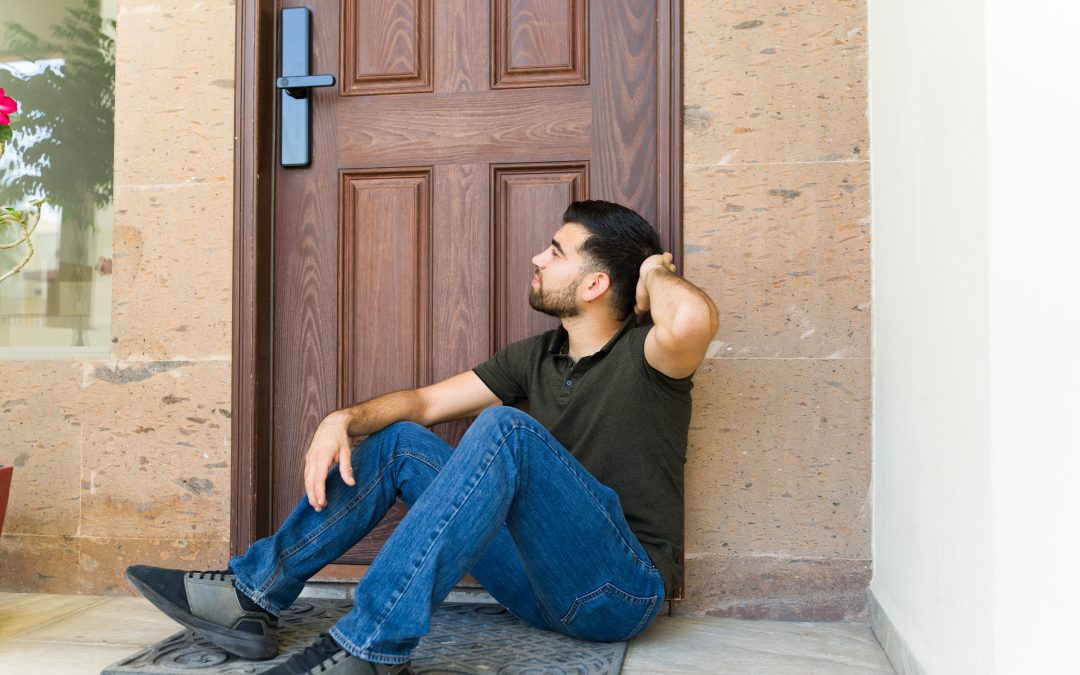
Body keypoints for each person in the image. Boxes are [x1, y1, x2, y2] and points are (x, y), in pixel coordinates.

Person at [126, 200, 718, 675]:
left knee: (506, 428)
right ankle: (252, 593)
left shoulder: (651, 357)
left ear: (594, 285)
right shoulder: (538, 356)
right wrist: (343, 419)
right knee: (400, 440)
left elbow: (691, 319)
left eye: (556, 251)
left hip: (618, 590)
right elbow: (426, 403)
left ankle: (371, 646)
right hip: (535, 586)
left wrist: (653, 271)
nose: (538, 257)